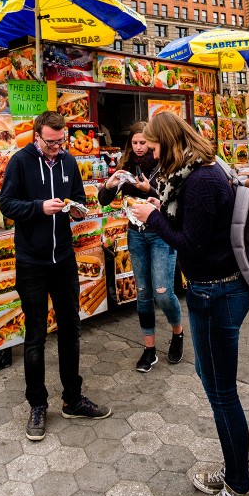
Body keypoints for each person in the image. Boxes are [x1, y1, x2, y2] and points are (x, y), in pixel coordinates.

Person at [131, 112, 249, 496]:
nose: (152, 153)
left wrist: (153, 219)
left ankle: (238, 492)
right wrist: (159, 208)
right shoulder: (200, 169)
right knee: (212, 380)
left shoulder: (202, 180)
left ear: (169, 142)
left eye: (155, 146)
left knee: (223, 395)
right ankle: (233, 470)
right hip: (212, 290)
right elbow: (191, 225)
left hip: (216, 292)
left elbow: (191, 244)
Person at [0, 111, 111, 442]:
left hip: (63, 258)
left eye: (61, 142)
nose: (57, 148)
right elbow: (6, 204)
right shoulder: (20, 162)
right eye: (51, 142)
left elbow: (79, 199)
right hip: (31, 261)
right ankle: (37, 405)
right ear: (37, 137)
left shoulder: (68, 162)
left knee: (70, 331)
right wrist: (37, 207)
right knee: (35, 336)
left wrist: (77, 209)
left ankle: (73, 399)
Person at [98, 121, 183, 372]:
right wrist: (111, 185)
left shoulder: (164, 165)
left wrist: (150, 188)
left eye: (143, 143)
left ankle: (177, 333)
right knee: (143, 292)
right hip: (135, 235)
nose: (138, 147)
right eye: (134, 143)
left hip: (161, 234)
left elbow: (175, 199)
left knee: (163, 292)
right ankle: (149, 349)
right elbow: (104, 201)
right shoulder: (126, 167)